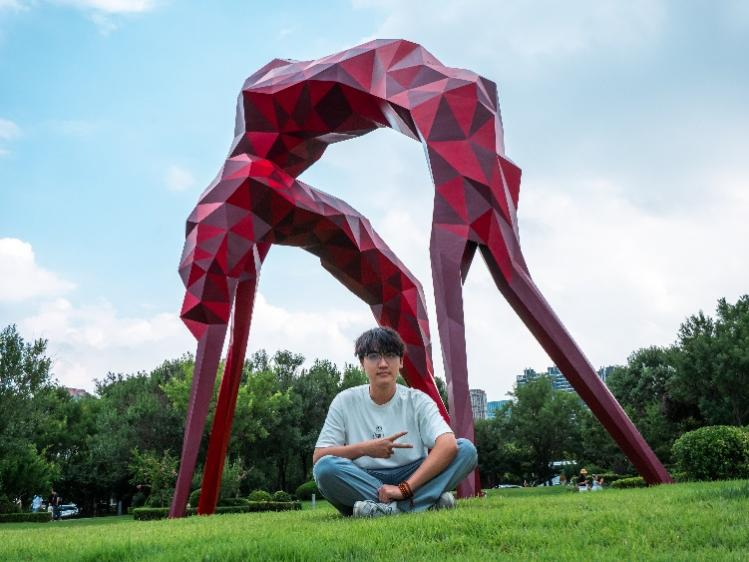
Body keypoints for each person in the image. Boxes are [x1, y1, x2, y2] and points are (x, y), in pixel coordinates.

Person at [312, 327, 478, 518]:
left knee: (465, 450)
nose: (383, 364)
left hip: (413, 475)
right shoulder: (344, 401)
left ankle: (382, 509)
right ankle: (423, 502)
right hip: (364, 477)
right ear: (362, 363)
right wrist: (365, 448)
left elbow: (447, 444)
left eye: (390, 355)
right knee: (325, 468)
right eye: (373, 356)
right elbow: (319, 455)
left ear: (401, 361)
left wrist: (404, 488)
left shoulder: (417, 400)